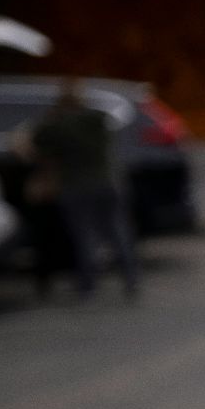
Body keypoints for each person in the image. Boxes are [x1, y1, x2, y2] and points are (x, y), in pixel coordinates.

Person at [27, 78, 139, 300]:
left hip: (77, 186)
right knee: (117, 232)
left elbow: (38, 141)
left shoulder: (58, 125)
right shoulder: (97, 119)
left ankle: (89, 285)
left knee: (85, 236)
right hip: (107, 183)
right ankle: (131, 278)